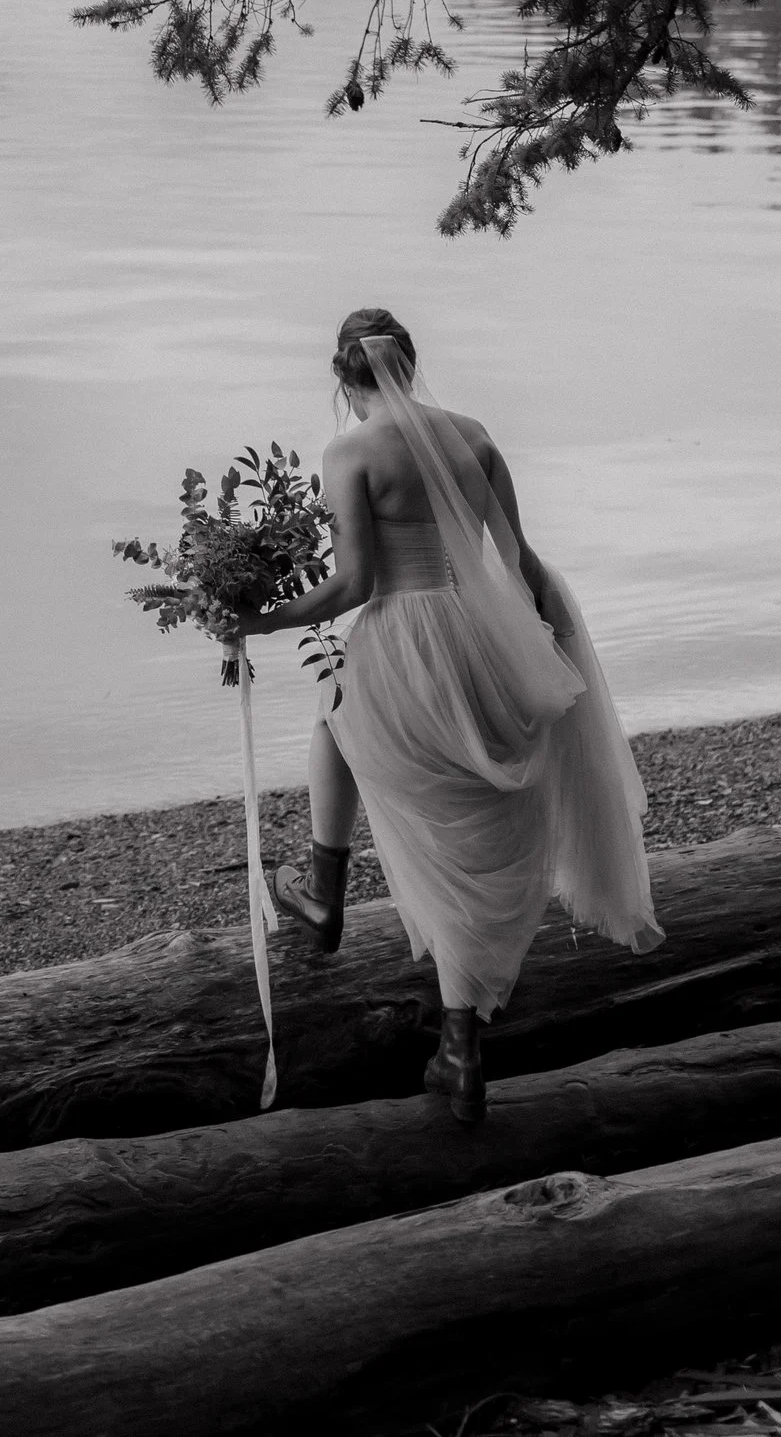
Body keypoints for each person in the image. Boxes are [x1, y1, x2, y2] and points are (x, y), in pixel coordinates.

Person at [240, 305, 661, 1121]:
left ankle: (325, 889)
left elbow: (356, 586)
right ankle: (460, 1048)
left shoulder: (351, 451)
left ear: (342, 377)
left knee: (340, 719)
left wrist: (260, 620)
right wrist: (552, 641)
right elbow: (516, 558)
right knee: (463, 830)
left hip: (405, 635)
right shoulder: (473, 435)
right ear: (410, 360)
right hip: (482, 639)